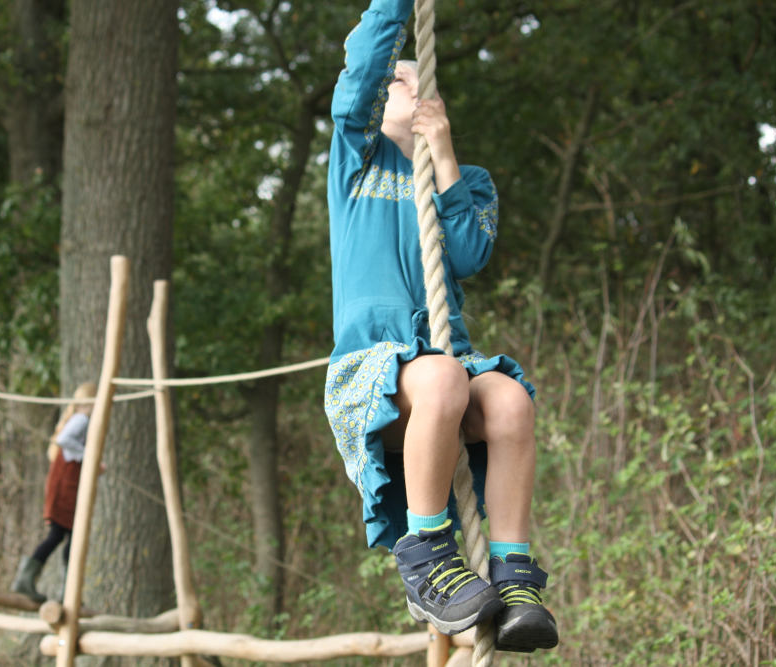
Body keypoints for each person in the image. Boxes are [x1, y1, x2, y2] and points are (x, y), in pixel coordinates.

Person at [323, 0, 558, 652]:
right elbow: (364, 68)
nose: (412, 90)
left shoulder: (464, 181)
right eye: (402, 83)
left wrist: (446, 155)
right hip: (375, 371)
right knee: (441, 377)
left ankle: (512, 574)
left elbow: (468, 254)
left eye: (424, 85)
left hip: (444, 370)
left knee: (509, 400)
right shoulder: (358, 159)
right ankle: (427, 549)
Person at [11, 381, 97, 603]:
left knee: (70, 538)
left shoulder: (80, 420)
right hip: (65, 489)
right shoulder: (81, 419)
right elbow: (64, 440)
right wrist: (90, 455)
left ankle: (68, 592)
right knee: (59, 535)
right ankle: (27, 580)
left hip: (67, 487)